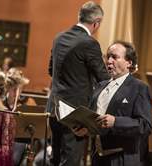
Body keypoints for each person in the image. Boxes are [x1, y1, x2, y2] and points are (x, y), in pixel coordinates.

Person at [46, 1, 110, 165]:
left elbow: (51, 70)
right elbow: (103, 78)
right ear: (96, 23)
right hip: (75, 114)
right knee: (70, 161)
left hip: (54, 109)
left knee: (55, 159)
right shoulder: (89, 43)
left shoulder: (58, 38)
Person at [74, 41, 152, 166]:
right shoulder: (100, 87)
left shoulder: (139, 88)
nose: (109, 61)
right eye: (108, 56)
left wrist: (116, 122)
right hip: (97, 158)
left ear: (129, 63)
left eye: (115, 57)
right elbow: (94, 120)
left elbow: (145, 126)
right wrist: (85, 129)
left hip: (121, 159)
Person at [5, 67, 30, 166]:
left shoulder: (26, 105)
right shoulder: (0, 104)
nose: (16, 93)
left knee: (13, 159)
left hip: (20, 142)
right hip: (2, 141)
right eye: (14, 89)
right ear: (7, 87)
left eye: (19, 90)